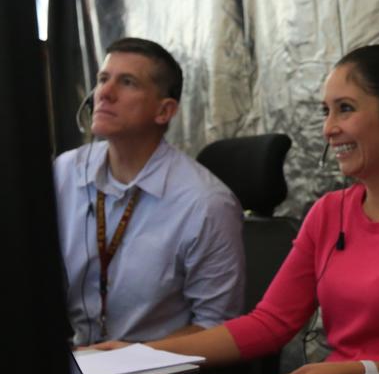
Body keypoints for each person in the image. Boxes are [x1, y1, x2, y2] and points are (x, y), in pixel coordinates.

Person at [124, 45, 379, 374]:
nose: (329, 128)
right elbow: (270, 323)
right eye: (326, 111)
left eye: (345, 109)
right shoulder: (330, 211)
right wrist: (142, 355)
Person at [53, 37, 245, 346]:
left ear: (164, 111)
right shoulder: (65, 173)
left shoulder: (205, 203)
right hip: (79, 364)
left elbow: (217, 327)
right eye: (103, 79)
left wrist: (133, 358)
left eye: (127, 82)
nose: (105, 93)